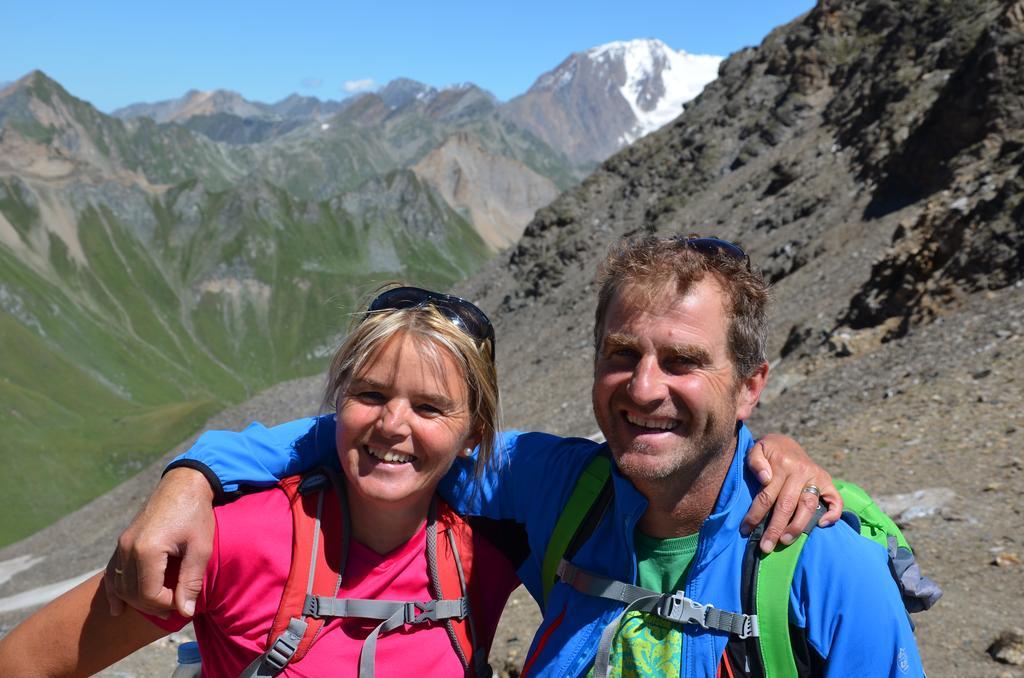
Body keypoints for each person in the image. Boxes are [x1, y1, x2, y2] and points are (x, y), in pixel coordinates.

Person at [104, 237, 916, 676]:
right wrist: (197, 472)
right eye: (621, 353)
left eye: (683, 361)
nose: (643, 387)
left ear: (750, 387)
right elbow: (385, 440)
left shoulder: (821, 563)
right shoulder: (554, 485)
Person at [0, 288, 522, 676]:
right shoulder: (237, 538)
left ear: (474, 432)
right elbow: (23, 663)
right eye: (369, 395)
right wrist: (189, 477)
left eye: (429, 407)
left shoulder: (490, 552)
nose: (392, 425)